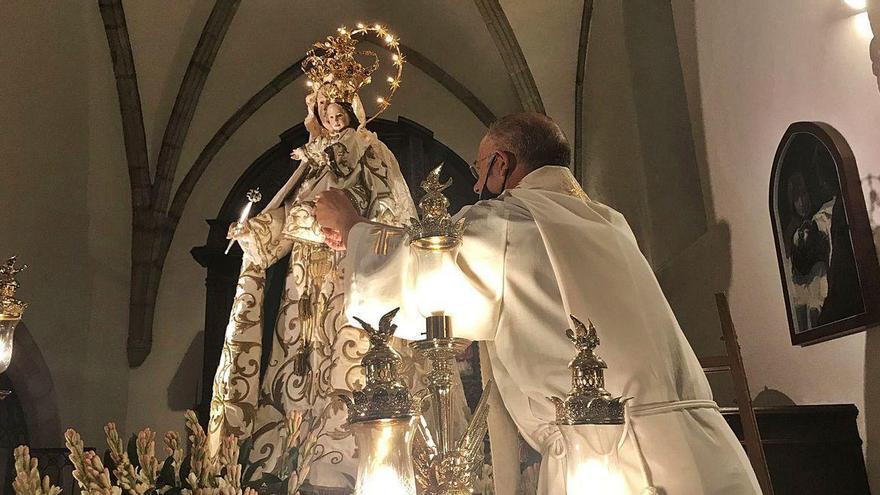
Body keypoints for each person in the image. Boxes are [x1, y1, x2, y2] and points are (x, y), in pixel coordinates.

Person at [315, 112, 762, 494]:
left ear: (501, 163)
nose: (475, 184)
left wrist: (355, 228)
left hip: (616, 461)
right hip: (711, 451)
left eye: (479, 168)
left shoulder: (509, 221)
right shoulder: (610, 222)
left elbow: (421, 277)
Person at [211, 83, 421, 489]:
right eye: (322, 107)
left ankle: (352, 461)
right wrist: (254, 231)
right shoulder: (310, 163)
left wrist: (347, 225)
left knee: (351, 366)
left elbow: (392, 217)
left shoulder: (371, 152)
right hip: (305, 285)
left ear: (352, 109)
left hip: (352, 272)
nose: (331, 115)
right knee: (302, 369)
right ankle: (299, 456)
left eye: (337, 106)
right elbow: (289, 214)